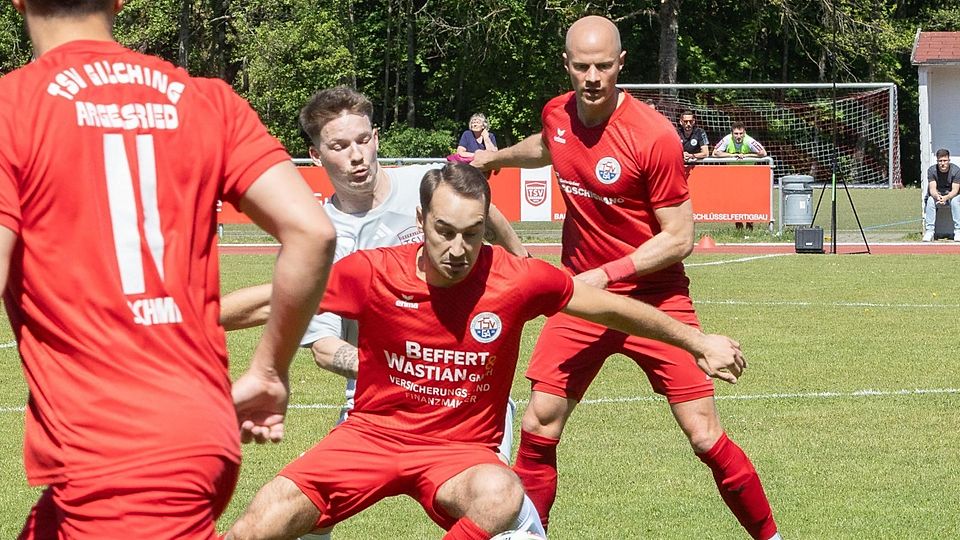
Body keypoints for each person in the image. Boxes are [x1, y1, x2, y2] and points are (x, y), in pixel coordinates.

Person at [221, 162, 747, 540]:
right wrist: (166, 329)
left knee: (502, 492)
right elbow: (270, 302)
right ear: (422, 218)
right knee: (256, 527)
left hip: (459, 453)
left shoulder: (517, 279)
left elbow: (609, 308)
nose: (456, 249)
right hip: (371, 436)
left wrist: (695, 340)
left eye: (471, 235)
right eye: (443, 231)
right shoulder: (373, 271)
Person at [0, 1, 337, 538]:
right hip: (195, 432)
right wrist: (269, 370)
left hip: (114, 450)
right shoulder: (207, 100)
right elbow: (312, 231)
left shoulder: (12, 107)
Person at [470, 15, 781, 540]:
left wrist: (603, 273)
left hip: (655, 298)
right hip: (582, 301)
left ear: (621, 65)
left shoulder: (654, 136)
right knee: (538, 425)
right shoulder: (557, 114)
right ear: (566, 65)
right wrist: (494, 158)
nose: (592, 77)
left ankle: (771, 537)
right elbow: (547, 145)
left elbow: (679, 237)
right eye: (582, 66)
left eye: (603, 66)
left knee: (704, 435)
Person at [288, 85, 536, 538]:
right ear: (315, 154)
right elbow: (324, 348)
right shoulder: (319, 237)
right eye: (340, 147)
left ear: (377, 137)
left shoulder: (425, 181)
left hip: (463, 403)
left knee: (507, 517)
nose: (357, 156)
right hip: (373, 409)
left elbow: (485, 209)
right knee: (299, 517)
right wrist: (392, 367)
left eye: (363, 140)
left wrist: (520, 262)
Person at [712, 121, 768, 229]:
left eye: (741, 133)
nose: (739, 136)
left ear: (744, 133)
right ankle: (738, 225)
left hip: (748, 174)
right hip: (733, 175)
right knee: (735, 198)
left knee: (749, 199)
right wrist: (732, 156)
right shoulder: (727, 139)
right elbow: (715, 153)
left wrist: (747, 155)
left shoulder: (749, 141)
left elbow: (763, 153)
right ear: (732, 133)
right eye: (736, 133)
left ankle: (750, 224)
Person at [922, 148, 960, 242]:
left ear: (949, 160)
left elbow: (955, 190)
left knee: (955, 201)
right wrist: (937, 197)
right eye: (940, 161)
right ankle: (930, 231)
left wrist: (946, 198)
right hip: (938, 195)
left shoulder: (956, 171)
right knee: (931, 200)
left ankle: (958, 230)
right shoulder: (932, 170)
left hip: (952, 196)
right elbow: (932, 189)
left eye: (945, 160)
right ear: (937, 161)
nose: (942, 163)